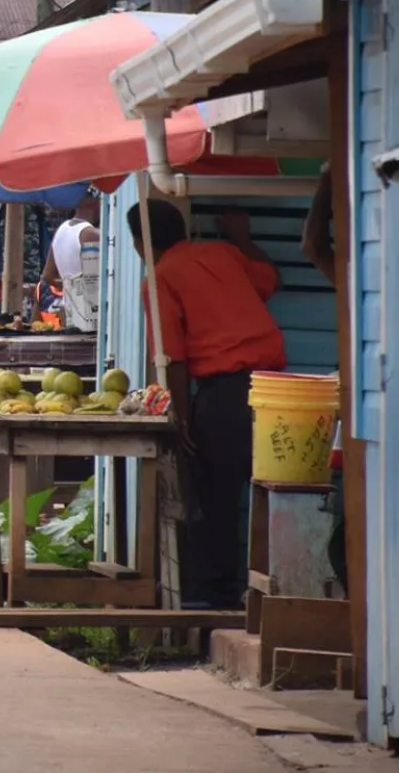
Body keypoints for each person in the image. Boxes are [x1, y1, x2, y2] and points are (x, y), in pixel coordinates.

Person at [127, 199, 285, 608]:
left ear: (140, 244)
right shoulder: (224, 253)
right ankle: (271, 586)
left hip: (225, 392)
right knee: (273, 488)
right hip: (275, 388)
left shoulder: (158, 278)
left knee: (214, 493)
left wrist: (179, 420)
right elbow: (271, 279)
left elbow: (172, 358)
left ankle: (212, 595)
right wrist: (243, 239)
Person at [39, 194, 102, 330]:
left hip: (71, 315)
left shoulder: (62, 230)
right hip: (92, 320)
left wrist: (71, 289)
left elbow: (47, 276)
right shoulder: (92, 235)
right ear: (94, 201)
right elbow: (94, 287)